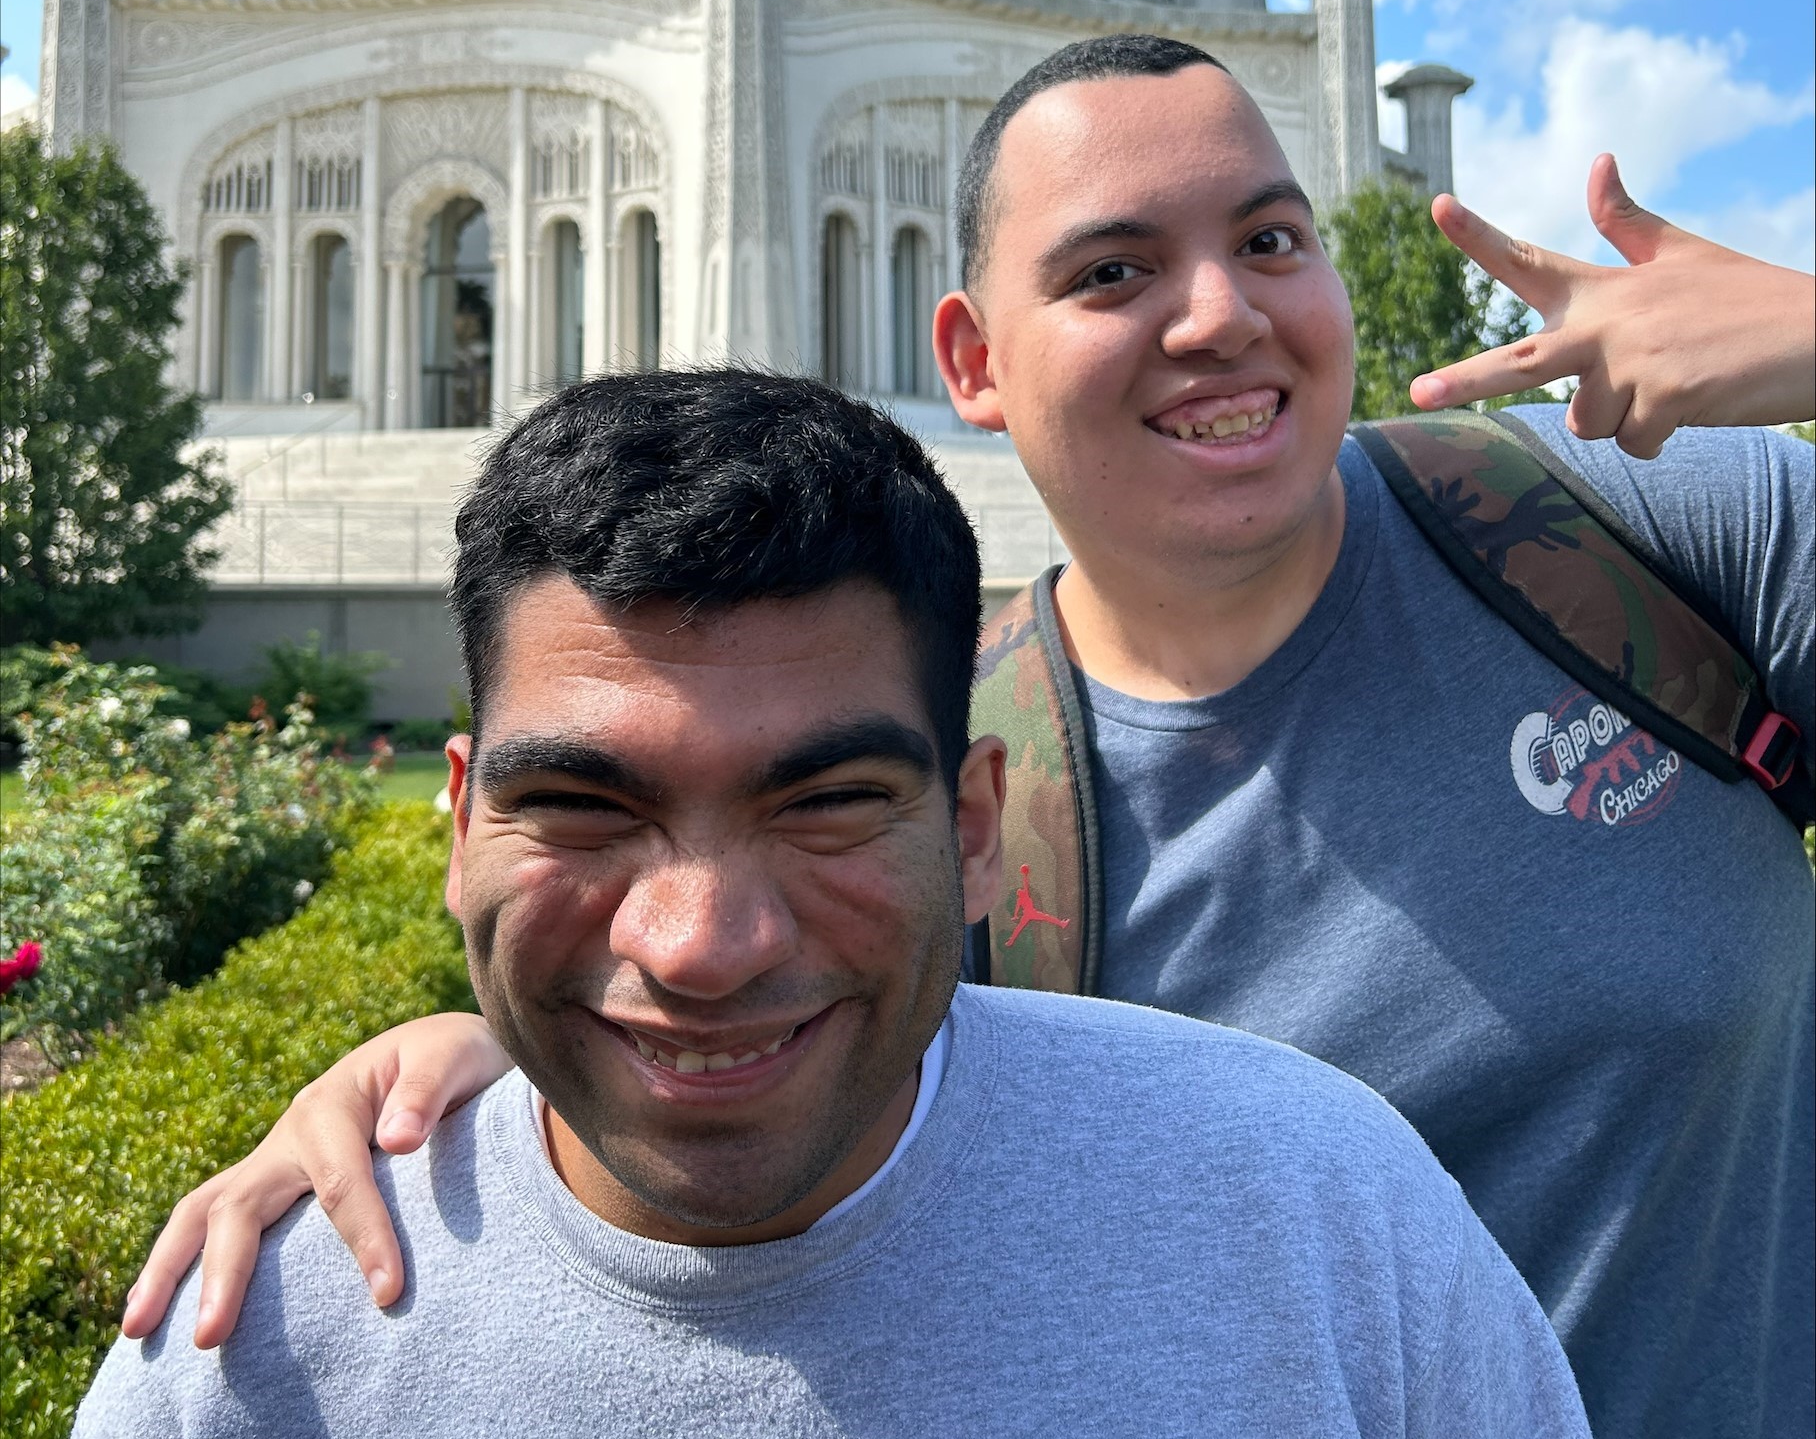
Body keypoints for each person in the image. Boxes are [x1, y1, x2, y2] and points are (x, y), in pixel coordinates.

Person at [125, 38, 1816, 1438]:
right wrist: (500, 1053)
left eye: (1274, 239)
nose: (1219, 312)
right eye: (1111, 270)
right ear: (971, 358)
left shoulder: (1613, 537)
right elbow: (772, 1024)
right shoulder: (935, 772)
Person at [77, 370, 1591, 1437]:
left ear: (976, 821)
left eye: (822, 805)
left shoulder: (1321, 1224)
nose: (698, 945)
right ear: (459, 816)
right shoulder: (255, 1340)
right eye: (585, 806)